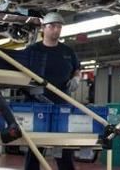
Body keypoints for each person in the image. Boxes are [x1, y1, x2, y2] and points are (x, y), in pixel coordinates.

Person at [24, 12, 81, 170]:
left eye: (59, 26)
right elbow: (20, 73)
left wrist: (76, 78)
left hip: (62, 105)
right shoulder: (32, 50)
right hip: (37, 105)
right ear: (44, 28)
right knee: (35, 147)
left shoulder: (67, 52)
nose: (56, 30)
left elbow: (77, 70)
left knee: (63, 146)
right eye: (52, 26)